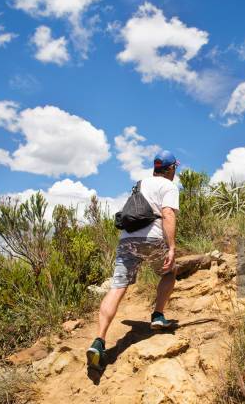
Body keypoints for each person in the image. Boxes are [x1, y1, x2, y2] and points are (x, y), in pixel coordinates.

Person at [86, 150, 180, 370]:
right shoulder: (168, 186)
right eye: (175, 167)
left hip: (127, 239)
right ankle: (158, 315)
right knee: (169, 271)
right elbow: (168, 214)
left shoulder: (140, 184)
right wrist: (172, 247)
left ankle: (99, 341)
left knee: (117, 288)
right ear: (171, 169)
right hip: (152, 238)